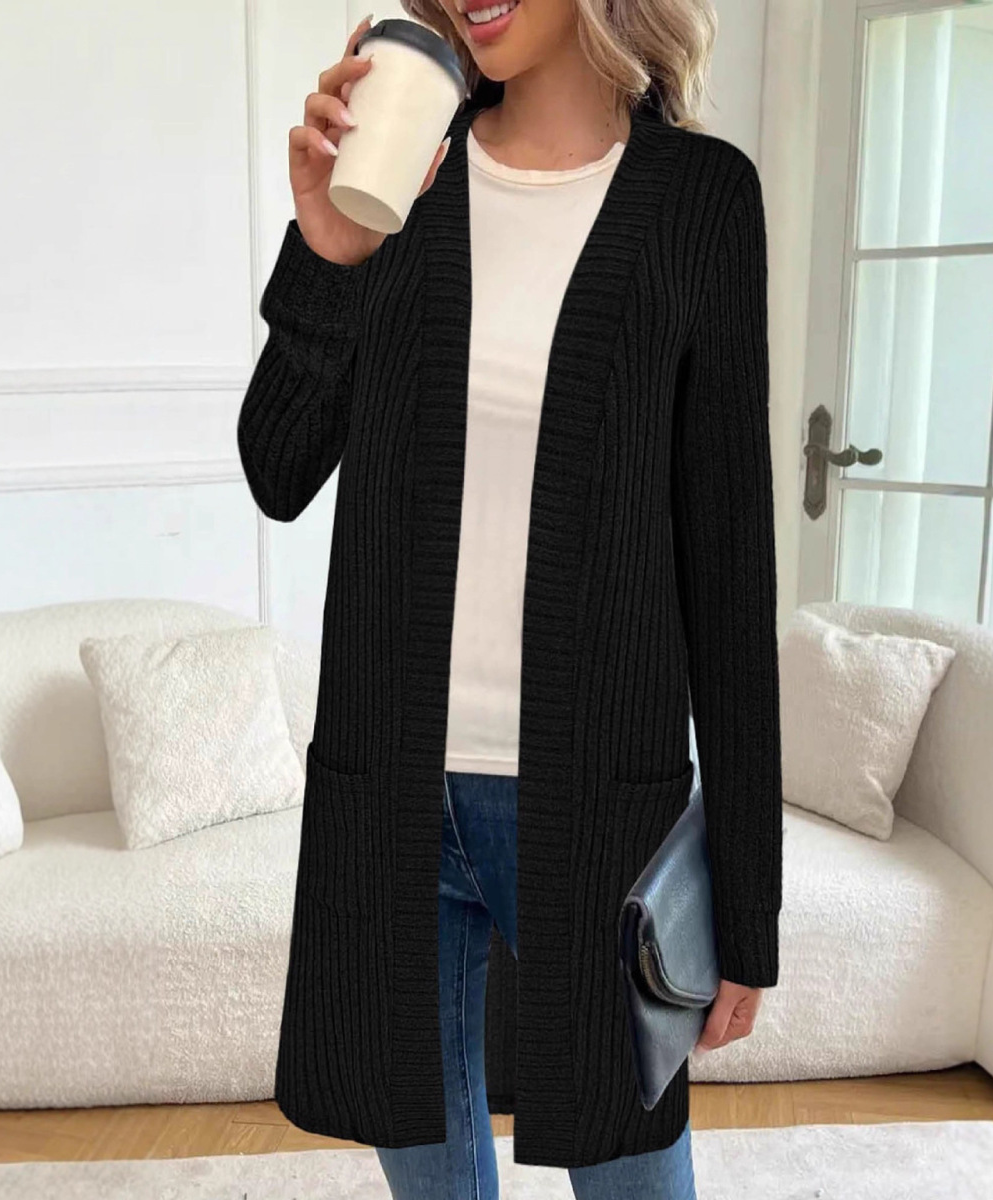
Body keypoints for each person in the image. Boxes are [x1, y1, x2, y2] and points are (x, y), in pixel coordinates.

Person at [236, 1, 782, 1197]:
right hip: (391, 797)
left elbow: (732, 574)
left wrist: (749, 905)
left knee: (636, 1175)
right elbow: (276, 467)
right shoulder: (406, 176)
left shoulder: (701, 201)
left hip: (598, 811)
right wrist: (328, 253)